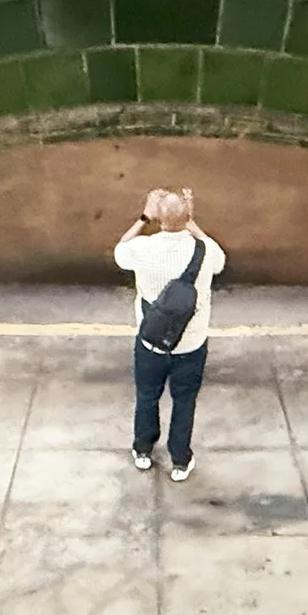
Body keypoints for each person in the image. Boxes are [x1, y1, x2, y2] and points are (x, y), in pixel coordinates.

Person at [114, 186, 226, 481]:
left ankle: (142, 450)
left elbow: (119, 251)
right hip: (190, 345)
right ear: (188, 214)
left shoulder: (143, 249)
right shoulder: (206, 252)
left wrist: (143, 217)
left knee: (147, 395)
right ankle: (179, 460)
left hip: (151, 344)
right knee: (185, 400)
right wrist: (190, 219)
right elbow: (219, 260)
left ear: (158, 218)